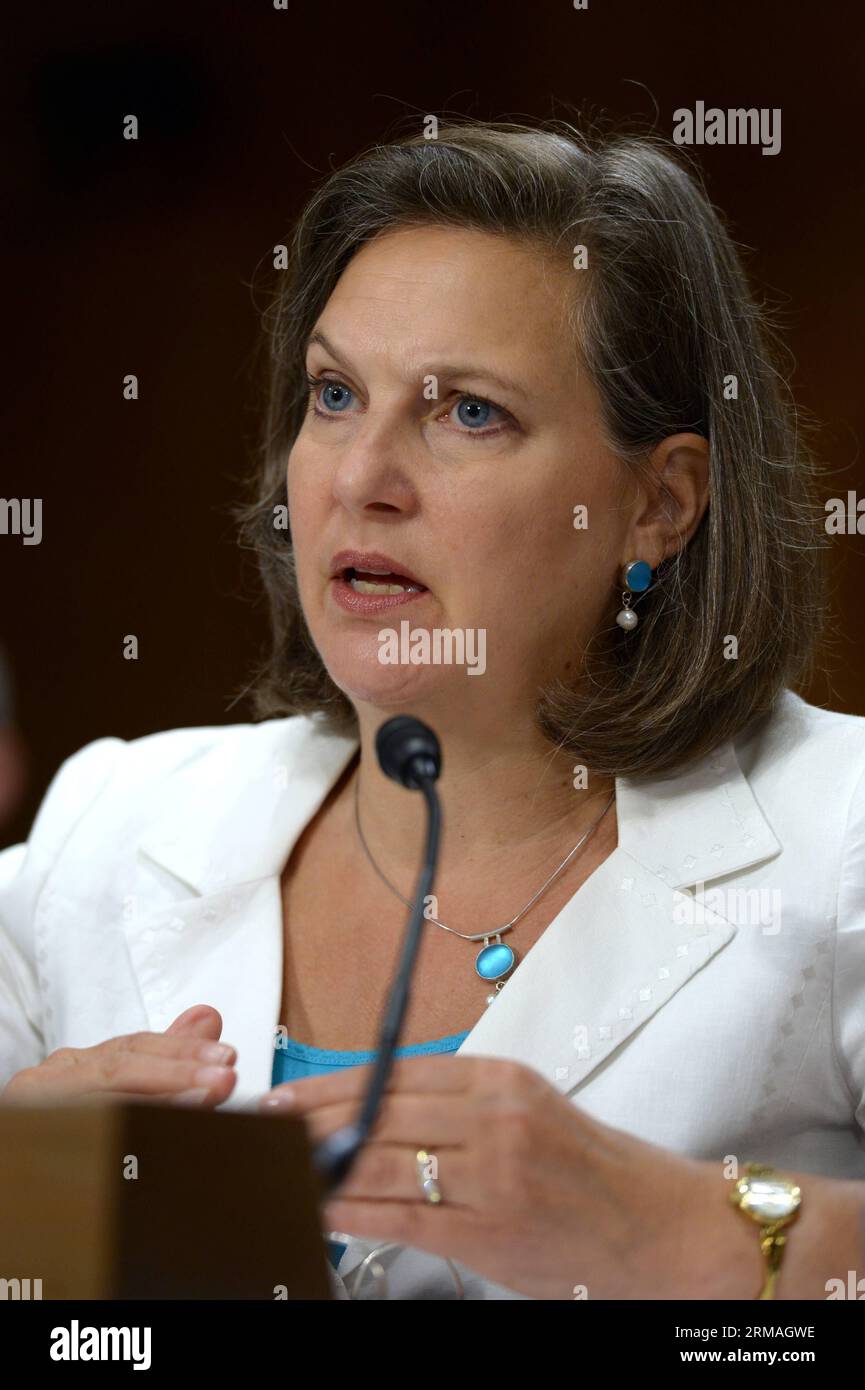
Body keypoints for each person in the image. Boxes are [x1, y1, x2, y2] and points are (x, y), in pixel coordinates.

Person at [1, 118, 863, 1301]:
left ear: (658, 505)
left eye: (467, 412)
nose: (358, 478)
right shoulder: (110, 820)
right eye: (335, 393)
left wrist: (672, 1231)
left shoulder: (840, 838)